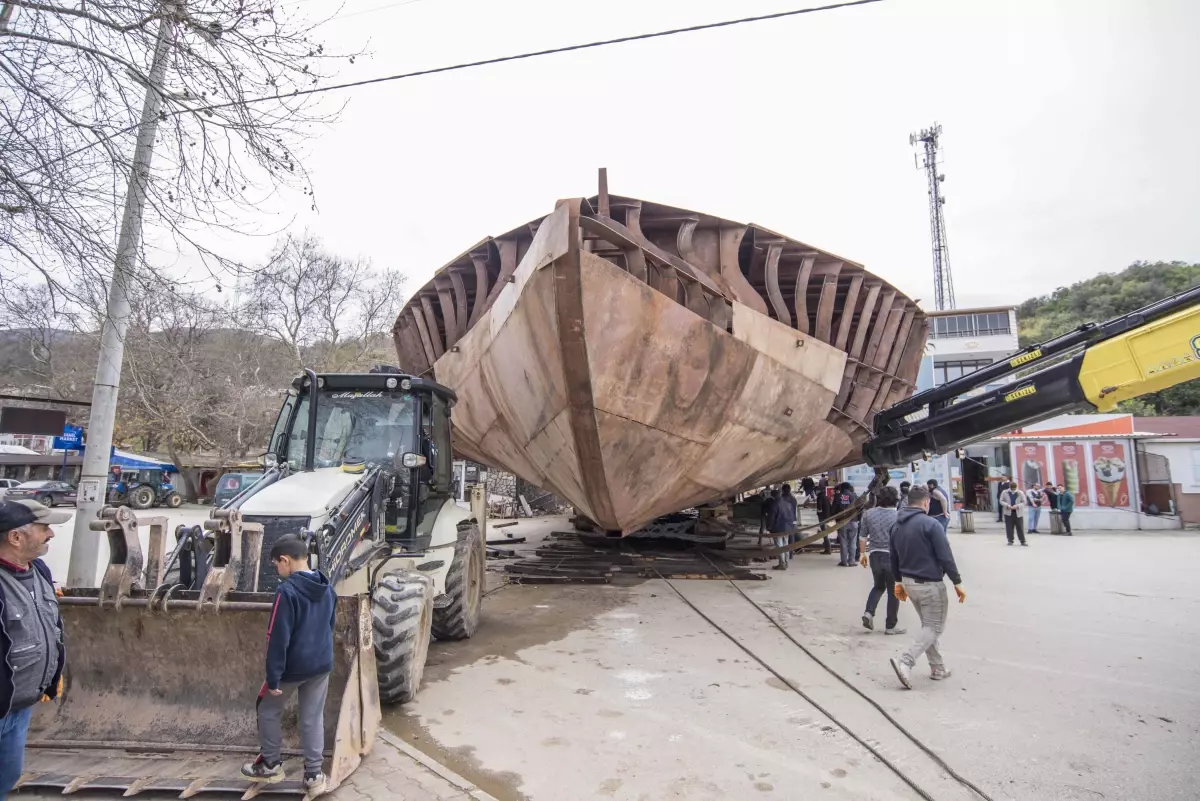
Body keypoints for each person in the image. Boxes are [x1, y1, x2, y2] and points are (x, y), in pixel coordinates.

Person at [242, 534, 337, 792]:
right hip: (322, 664)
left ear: (285, 561)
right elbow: (330, 625)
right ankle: (314, 776)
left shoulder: (287, 592)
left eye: (276, 565)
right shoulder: (327, 587)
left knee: (267, 708)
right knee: (312, 717)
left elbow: (277, 637)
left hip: (294, 667)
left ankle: (271, 764)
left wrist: (273, 678)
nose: (277, 570)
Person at [0, 500, 69, 799]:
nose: (51, 534)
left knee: (7, 777)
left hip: (20, 706)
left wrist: (52, 675)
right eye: (44, 528)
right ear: (16, 537)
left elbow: (48, 625)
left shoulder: (38, 570)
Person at [887, 485, 966, 689]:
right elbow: (945, 556)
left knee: (928, 627)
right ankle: (905, 661)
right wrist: (957, 582)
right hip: (930, 584)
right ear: (926, 502)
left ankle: (937, 668)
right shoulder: (931, 524)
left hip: (909, 583)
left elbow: (893, 557)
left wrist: (898, 582)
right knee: (934, 627)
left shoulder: (896, 526)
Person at [859, 486, 905, 635]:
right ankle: (890, 626)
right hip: (892, 557)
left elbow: (862, 536)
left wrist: (862, 554)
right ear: (895, 499)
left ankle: (869, 613)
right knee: (894, 591)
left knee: (878, 586)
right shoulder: (899, 516)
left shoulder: (868, 514)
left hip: (874, 555)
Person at [764, 489, 794, 571]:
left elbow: (771, 518)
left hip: (778, 528)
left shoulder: (774, 504)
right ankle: (786, 563)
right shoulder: (788, 504)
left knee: (779, 546)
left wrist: (769, 527)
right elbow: (792, 516)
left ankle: (782, 564)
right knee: (785, 545)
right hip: (787, 528)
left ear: (773, 496)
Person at [831, 482, 859, 567]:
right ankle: (852, 561)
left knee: (843, 542)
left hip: (842, 522)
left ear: (842, 488)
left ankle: (844, 561)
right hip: (853, 521)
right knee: (853, 542)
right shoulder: (854, 496)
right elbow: (860, 508)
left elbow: (833, 510)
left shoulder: (838, 497)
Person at [1000, 481, 1028, 545]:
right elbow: (1001, 500)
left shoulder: (1020, 493)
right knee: (1009, 527)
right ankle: (1010, 540)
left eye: (1014, 489)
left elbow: (1024, 502)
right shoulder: (1005, 492)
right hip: (1008, 513)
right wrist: (1007, 505)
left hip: (1018, 513)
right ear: (1009, 487)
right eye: (1012, 489)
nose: (1013, 490)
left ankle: (1022, 541)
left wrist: (1017, 506)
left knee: (1020, 527)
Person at [815, 476, 833, 554]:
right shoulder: (826, 496)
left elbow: (819, 508)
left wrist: (818, 513)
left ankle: (827, 549)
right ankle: (827, 547)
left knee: (824, 534)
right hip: (827, 516)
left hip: (822, 517)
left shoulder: (820, 497)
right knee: (825, 533)